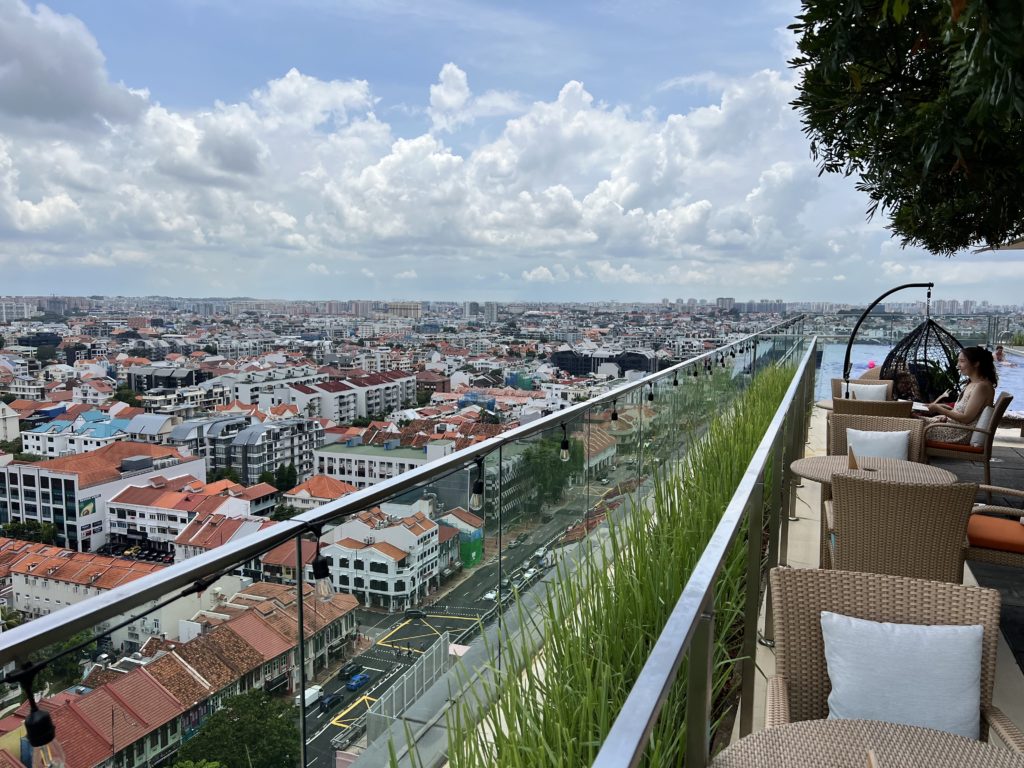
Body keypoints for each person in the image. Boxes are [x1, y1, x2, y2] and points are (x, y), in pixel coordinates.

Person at [920, 346, 997, 443]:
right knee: (911, 417)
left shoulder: (982, 387)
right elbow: (962, 411)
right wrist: (941, 407)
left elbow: (966, 418)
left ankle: (911, 456)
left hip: (958, 433)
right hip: (952, 426)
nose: (958, 365)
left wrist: (938, 409)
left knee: (910, 424)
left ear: (976, 363)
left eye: (962, 361)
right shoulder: (972, 383)